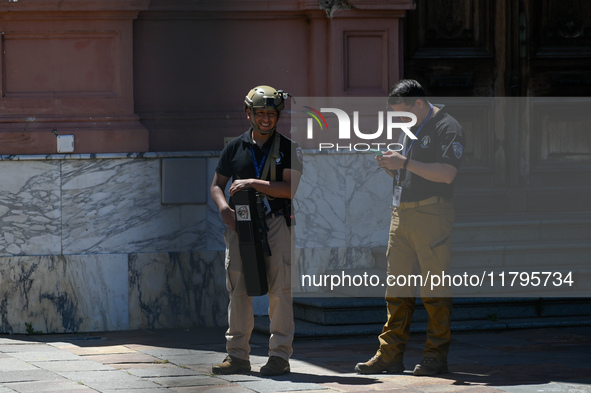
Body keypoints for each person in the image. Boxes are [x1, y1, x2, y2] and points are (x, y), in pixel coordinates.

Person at [355, 79, 464, 376]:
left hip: (432, 214)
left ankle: (435, 356)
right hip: (401, 214)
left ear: (418, 102)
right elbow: (411, 166)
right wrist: (394, 165)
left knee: (435, 289)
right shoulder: (412, 126)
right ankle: (390, 355)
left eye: (403, 113)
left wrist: (404, 163)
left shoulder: (447, 126)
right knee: (397, 289)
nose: (400, 120)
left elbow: (447, 174)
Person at [210, 85, 303, 376]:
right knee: (238, 288)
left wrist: (252, 182)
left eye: (271, 114)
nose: (266, 119)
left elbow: (289, 189)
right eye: (260, 113)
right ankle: (237, 356)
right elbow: (216, 185)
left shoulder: (288, 148)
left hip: (276, 222)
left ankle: (279, 356)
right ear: (248, 113)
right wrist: (224, 209)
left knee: (280, 291)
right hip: (241, 224)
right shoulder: (234, 147)